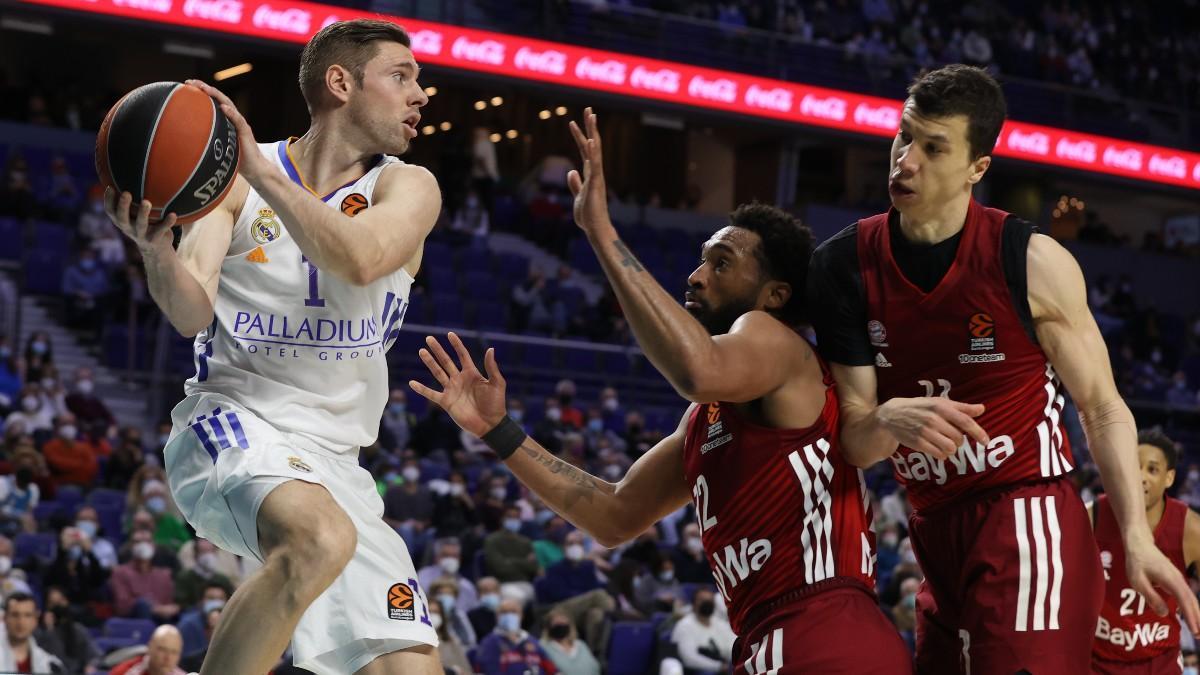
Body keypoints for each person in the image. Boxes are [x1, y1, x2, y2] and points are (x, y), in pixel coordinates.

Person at [410, 109, 910, 673]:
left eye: (722, 264)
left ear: (775, 294)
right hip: (773, 635)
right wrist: (496, 431)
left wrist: (601, 233)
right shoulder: (706, 422)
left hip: (825, 627)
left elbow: (697, 369)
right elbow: (614, 516)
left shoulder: (778, 343)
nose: (697, 276)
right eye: (700, 259)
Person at [803, 64, 1200, 674]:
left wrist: (1134, 537)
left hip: (1026, 513)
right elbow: (857, 442)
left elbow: (1100, 405)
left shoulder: (1033, 261)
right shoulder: (841, 267)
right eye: (904, 136)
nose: (906, 160)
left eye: (934, 148)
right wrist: (887, 417)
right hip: (933, 528)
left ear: (976, 169)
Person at [103, 18, 440, 675]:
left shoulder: (409, 186)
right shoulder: (230, 186)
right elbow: (187, 311)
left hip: (337, 462)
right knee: (318, 538)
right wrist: (155, 252)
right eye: (402, 76)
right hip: (233, 424)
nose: (421, 93)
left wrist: (258, 168)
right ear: (340, 83)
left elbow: (363, 256)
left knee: (409, 667)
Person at [1091, 430, 1200, 674]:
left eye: (1152, 470)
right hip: (1095, 660)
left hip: (1159, 662)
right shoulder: (1092, 515)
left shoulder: (1190, 529)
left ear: (1169, 478)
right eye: (1134, 466)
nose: (1140, 477)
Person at [475, 598, 556, 675]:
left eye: (513, 612)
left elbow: (551, 670)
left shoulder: (533, 642)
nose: (509, 615)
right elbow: (489, 670)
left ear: (521, 615)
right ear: (496, 616)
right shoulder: (489, 643)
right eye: (504, 612)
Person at [670, 588, 736, 675]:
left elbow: (733, 648)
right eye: (702, 600)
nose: (707, 603)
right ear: (694, 603)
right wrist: (719, 666)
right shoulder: (684, 626)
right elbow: (689, 658)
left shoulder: (720, 624)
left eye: (710, 600)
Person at [0, 592, 64, 673]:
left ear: (36, 619)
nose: (21, 622)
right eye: (15, 615)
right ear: (5, 618)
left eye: (27, 615)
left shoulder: (50, 665)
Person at [109, 624, 186, 675]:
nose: (168, 658)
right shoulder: (123, 672)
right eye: (163, 650)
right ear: (150, 647)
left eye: (174, 652)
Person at [541, 610, 600, 675]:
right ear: (549, 628)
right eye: (557, 623)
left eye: (563, 622)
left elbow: (594, 667)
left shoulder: (581, 645)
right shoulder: (544, 648)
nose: (560, 625)